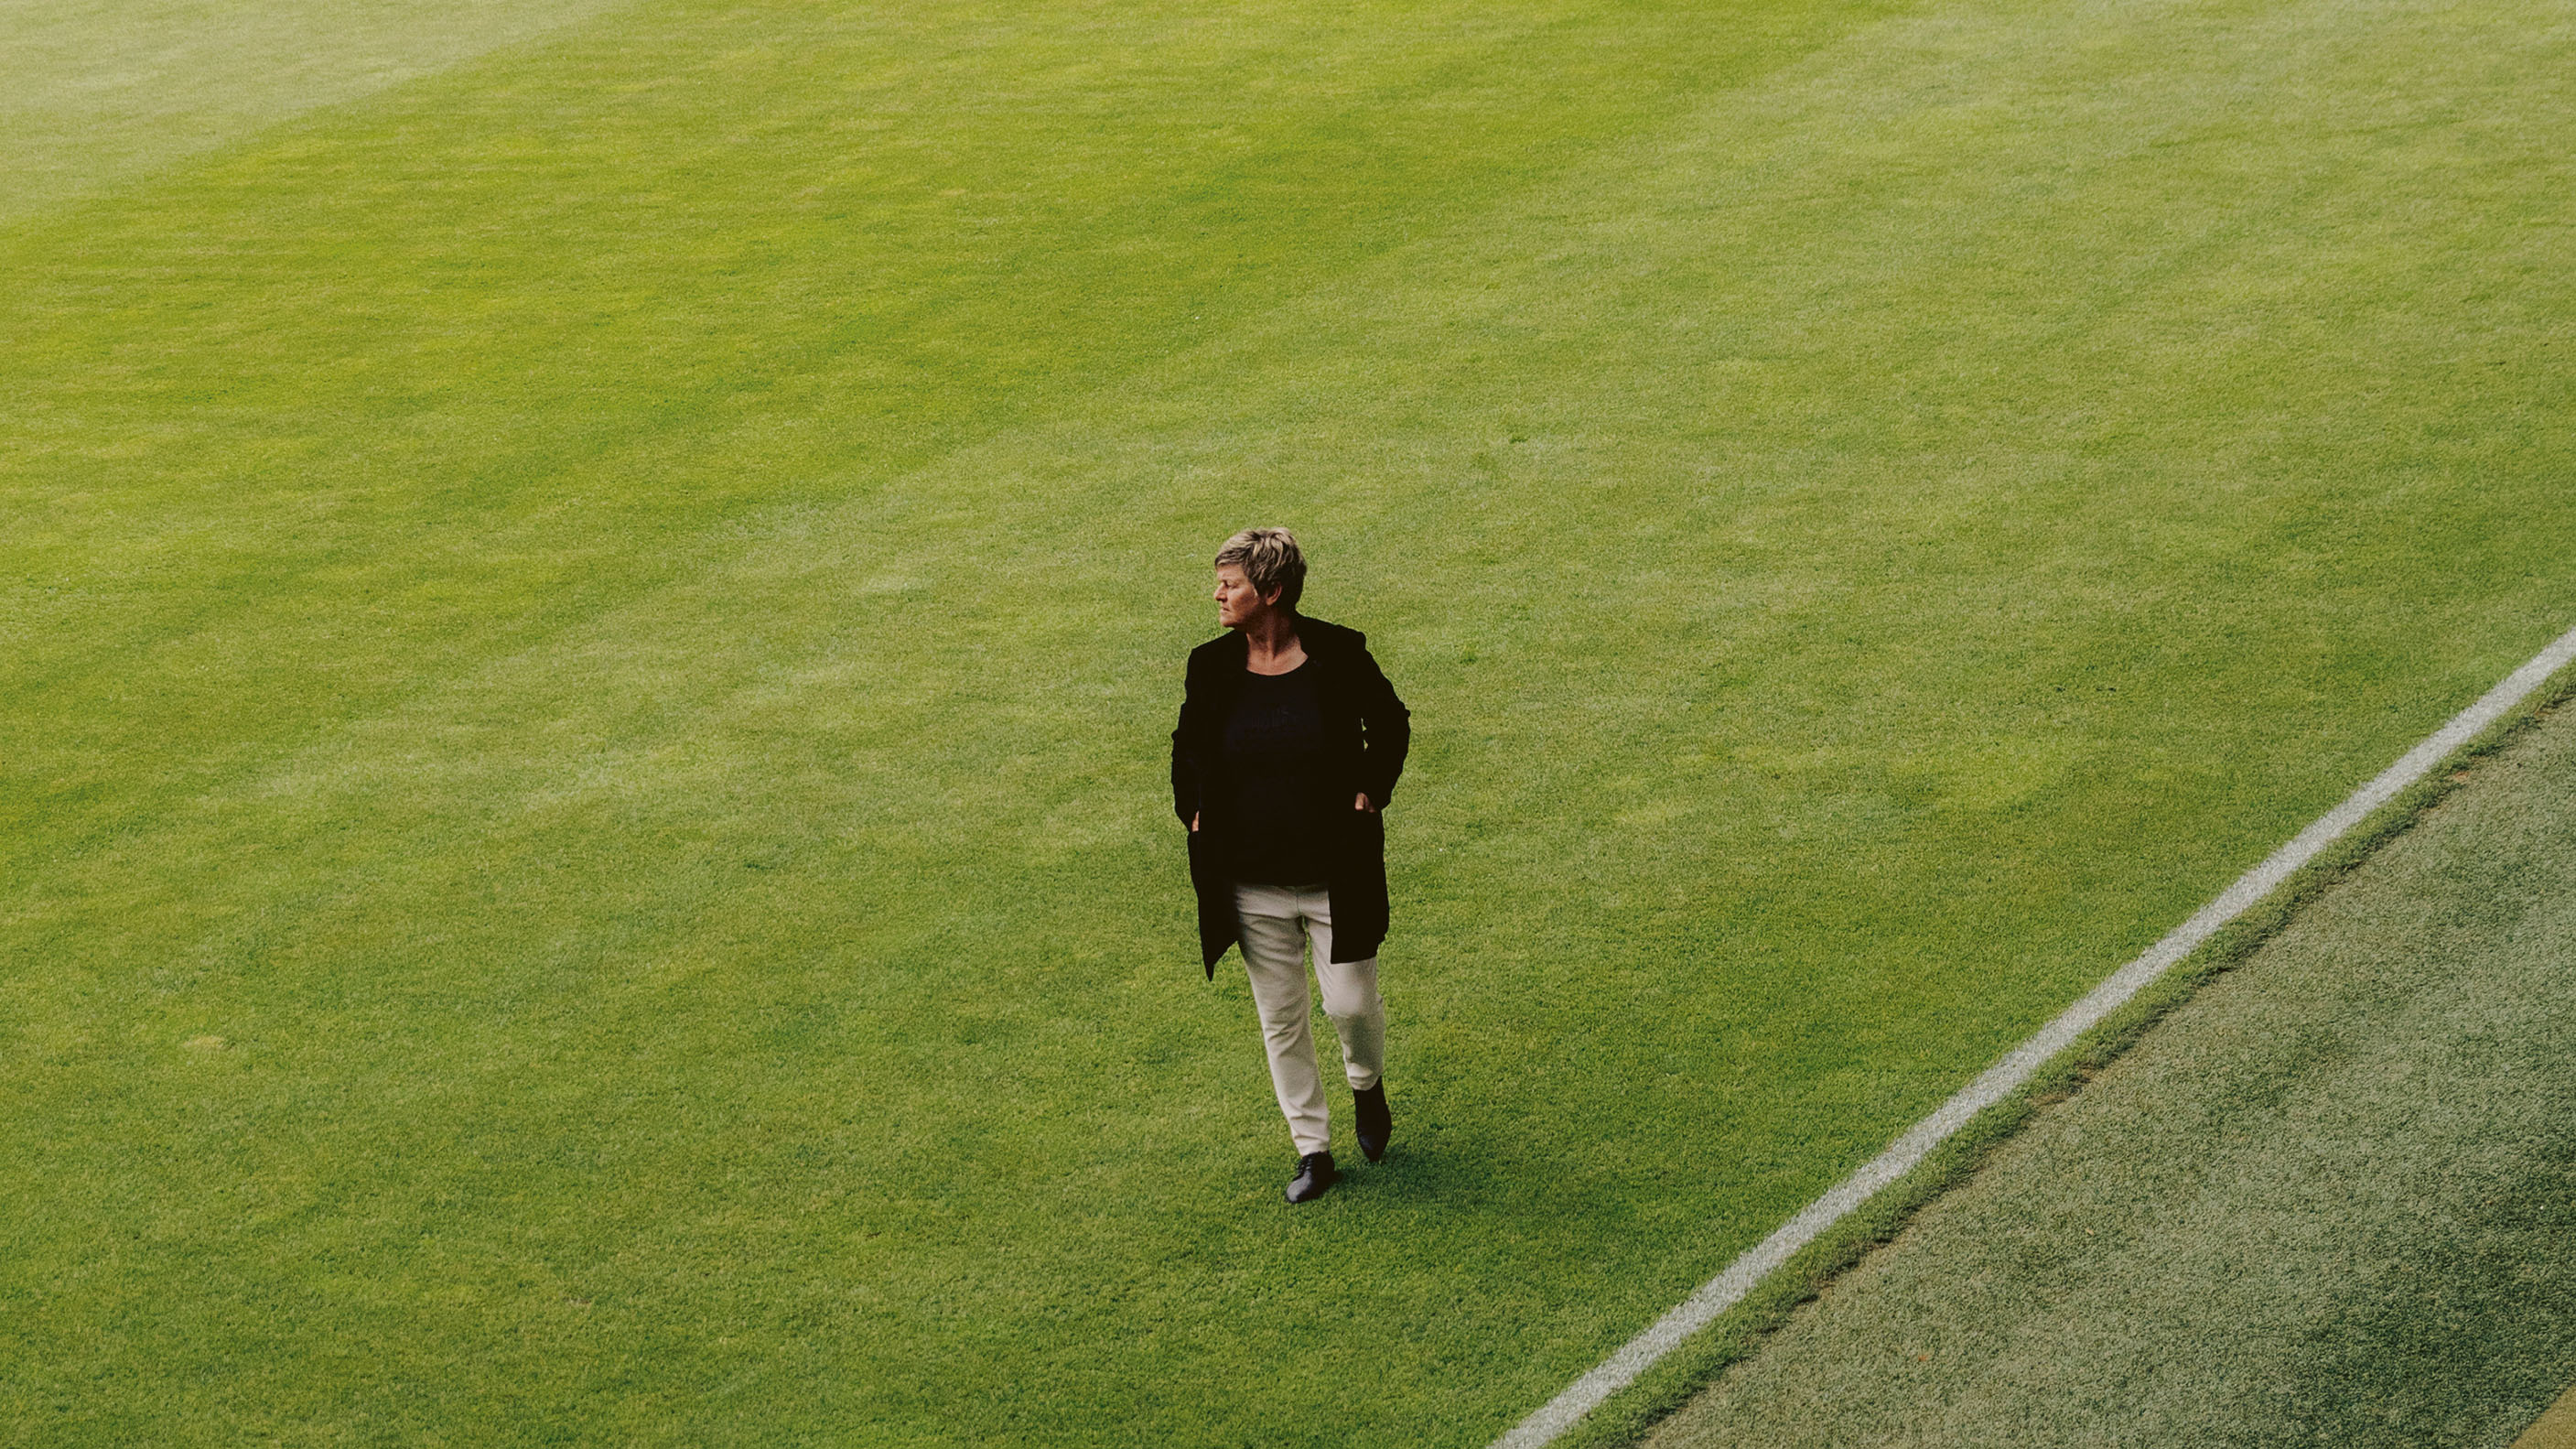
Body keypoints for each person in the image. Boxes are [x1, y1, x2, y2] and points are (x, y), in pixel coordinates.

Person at [1170, 527, 1411, 1204]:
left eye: (1230, 583)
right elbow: (1186, 744)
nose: (1217, 593)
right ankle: (1312, 1148)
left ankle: (1366, 1084)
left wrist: (1371, 785)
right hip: (1248, 880)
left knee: (1350, 1004)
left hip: (1334, 873)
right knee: (1281, 1017)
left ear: (1270, 592)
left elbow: (1389, 721)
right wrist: (1190, 807)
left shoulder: (1338, 652)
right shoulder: (1209, 666)